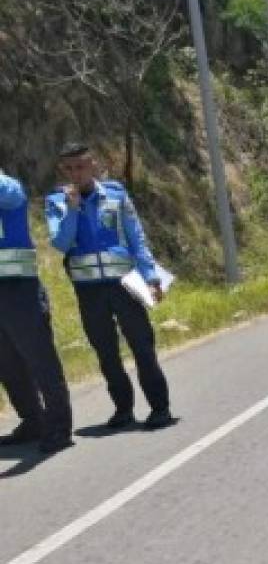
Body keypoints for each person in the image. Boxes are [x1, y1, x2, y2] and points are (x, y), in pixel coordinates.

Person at [44, 143, 174, 430]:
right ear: (62, 170)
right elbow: (61, 243)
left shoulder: (116, 194)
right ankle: (123, 410)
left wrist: (151, 278)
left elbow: (136, 237)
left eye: (81, 166)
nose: (76, 173)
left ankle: (160, 408)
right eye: (69, 168)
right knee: (106, 353)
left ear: (93, 165)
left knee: (142, 347)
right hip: (88, 290)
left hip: (124, 285)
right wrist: (73, 209)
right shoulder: (57, 201)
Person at [0, 169, 74, 454]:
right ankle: (33, 421)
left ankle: (59, 427)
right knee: (7, 364)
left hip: (20, 290)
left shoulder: (10, 189)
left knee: (40, 360)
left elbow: (9, 193)